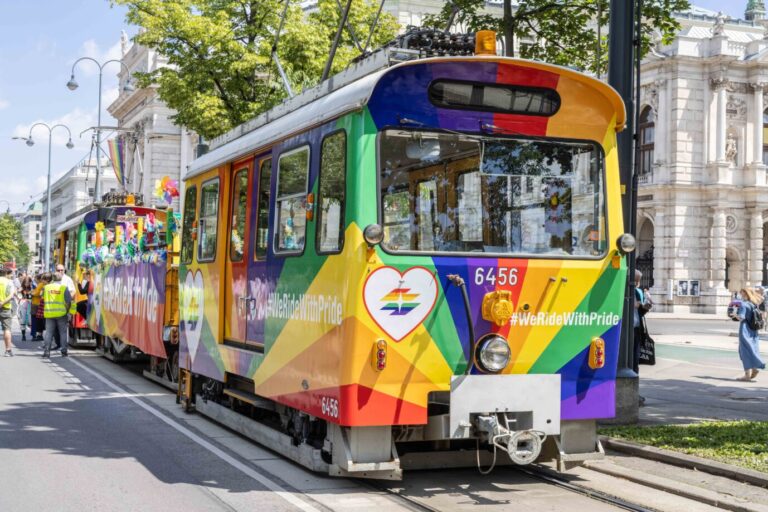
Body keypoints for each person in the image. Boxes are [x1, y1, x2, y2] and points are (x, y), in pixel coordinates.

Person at [735, 287, 766, 381]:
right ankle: (754, 368)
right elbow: (762, 299)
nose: (740, 295)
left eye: (741, 293)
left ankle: (747, 375)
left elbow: (741, 317)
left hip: (745, 329)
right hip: (754, 330)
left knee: (744, 351)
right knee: (753, 349)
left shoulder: (743, 305)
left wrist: (734, 315)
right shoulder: (754, 304)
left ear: (745, 294)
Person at [42, 271, 72, 358]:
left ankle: (47, 352)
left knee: (49, 333)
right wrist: (67, 311)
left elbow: (43, 298)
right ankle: (64, 351)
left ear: (53, 278)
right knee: (62, 333)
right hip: (61, 314)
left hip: (49, 313)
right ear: (61, 278)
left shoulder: (46, 287)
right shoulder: (64, 288)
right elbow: (68, 302)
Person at [0, 267, 16, 357]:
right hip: (5, 307)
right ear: (6, 274)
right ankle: (8, 350)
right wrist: (2, 302)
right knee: (7, 329)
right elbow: (11, 295)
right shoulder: (9, 282)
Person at [31, 274, 46, 341]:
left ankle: (37, 334)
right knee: (40, 320)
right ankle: (39, 334)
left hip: (37, 304)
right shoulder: (41, 284)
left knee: (37, 320)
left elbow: (37, 293)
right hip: (39, 304)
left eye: (35, 278)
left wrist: (31, 293)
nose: (35, 280)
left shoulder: (40, 284)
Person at [16, 276, 32, 341]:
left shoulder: (32, 287)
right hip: (23, 304)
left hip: (30, 304)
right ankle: (23, 335)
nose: (27, 284)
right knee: (22, 320)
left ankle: (33, 334)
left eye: (28, 282)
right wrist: (19, 298)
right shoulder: (21, 288)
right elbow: (15, 292)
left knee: (30, 320)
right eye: (25, 282)